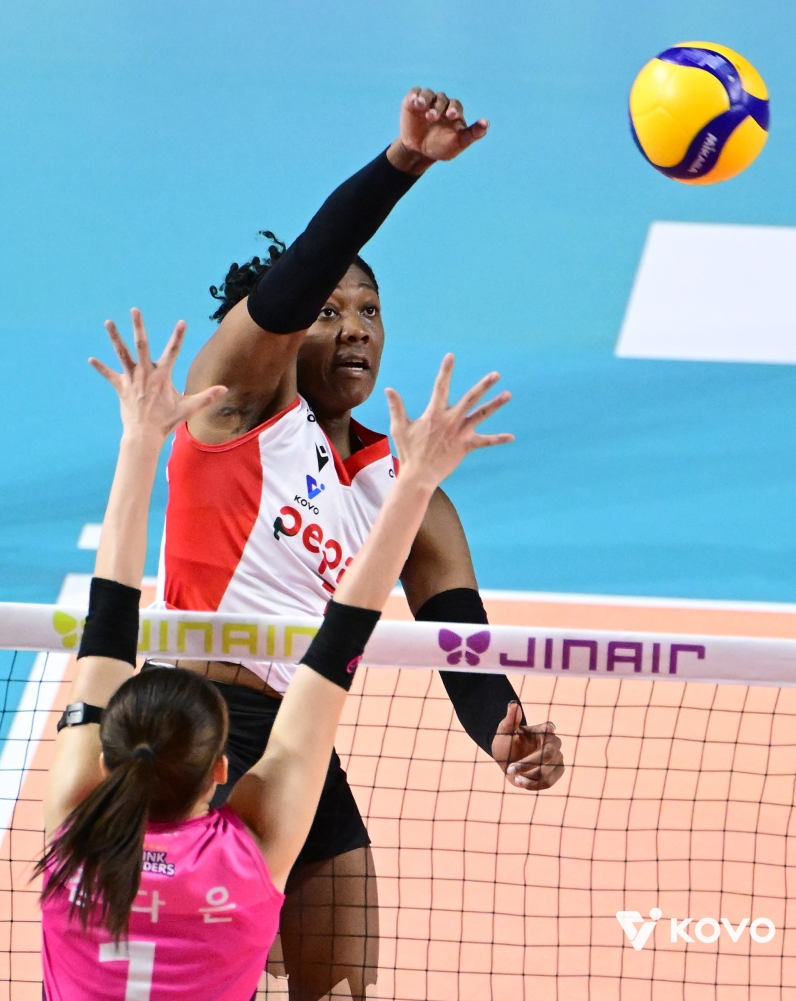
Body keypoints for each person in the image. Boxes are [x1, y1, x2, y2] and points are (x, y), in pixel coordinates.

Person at [151, 87, 565, 999]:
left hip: (301, 740)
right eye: (329, 310)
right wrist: (404, 162)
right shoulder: (231, 408)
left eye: (370, 311)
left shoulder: (406, 488)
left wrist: (503, 731)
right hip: (191, 728)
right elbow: (303, 266)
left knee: (342, 988)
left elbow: (459, 639)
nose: (354, 329)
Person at [37, 311, 514, 1000]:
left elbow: (111, 620)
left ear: (105, 763)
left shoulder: (73, 843)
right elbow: (337, 643)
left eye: (368, 310)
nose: (354, 327)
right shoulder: (248, 854)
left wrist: (140, 439)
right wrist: (412, 489)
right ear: (222, 775)